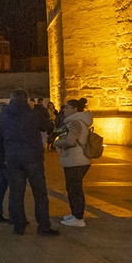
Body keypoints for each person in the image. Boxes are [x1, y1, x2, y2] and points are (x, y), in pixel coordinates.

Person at [0, 89, 59, 236]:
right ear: (27, 99)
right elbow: (47, 126)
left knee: (16, 193)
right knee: (40, 193)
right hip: (33, 158)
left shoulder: (4, 117)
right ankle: (43, 225)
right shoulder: (33, 114)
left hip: (12, 159)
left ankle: (19, 225)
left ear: (11, 99)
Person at [55, 98, 93, 228]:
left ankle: (78, 218)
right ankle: (75, 214)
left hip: (75, 159)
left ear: (75, 110)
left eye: (67, 107)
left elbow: (70, 141)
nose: (64, 110)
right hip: (80, 159)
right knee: (73, 187)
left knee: (74, 189)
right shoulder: (81, 121)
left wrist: (56, 142)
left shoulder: (75, 123)